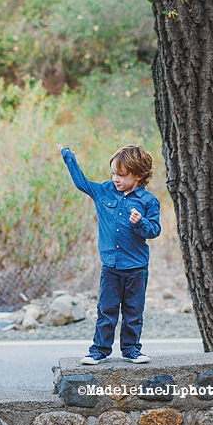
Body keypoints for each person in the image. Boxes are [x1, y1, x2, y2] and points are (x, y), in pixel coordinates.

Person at [56, 143, 161, 364]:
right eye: (113, 173)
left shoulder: (148, 201)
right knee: (106, 310)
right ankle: (99, 350)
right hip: (111, 268)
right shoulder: (103, 191)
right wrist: (68, 157)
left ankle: (131, 349)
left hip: (136, 268)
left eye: (121, 175)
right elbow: (82, 183)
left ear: (139, 176)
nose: (115, 178)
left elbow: (154, 230)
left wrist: (140, 223)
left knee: (133, 312)